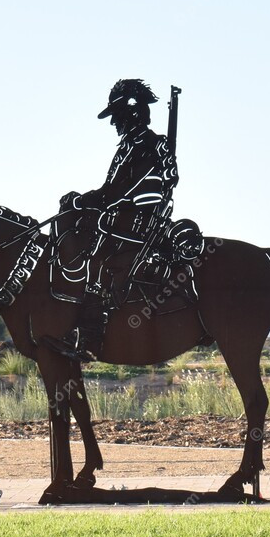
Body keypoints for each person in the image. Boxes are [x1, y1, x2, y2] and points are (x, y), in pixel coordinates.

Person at [46, 79, 179, 362]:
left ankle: (91, 340)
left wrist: (80, 201)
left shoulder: (149, 145)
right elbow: (111, 190)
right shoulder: (129, 146)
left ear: (132, 113)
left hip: (136, 223)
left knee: (96, 261)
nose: (113, 123)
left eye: (117, 116)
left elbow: (118, 190)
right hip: (120, 217)